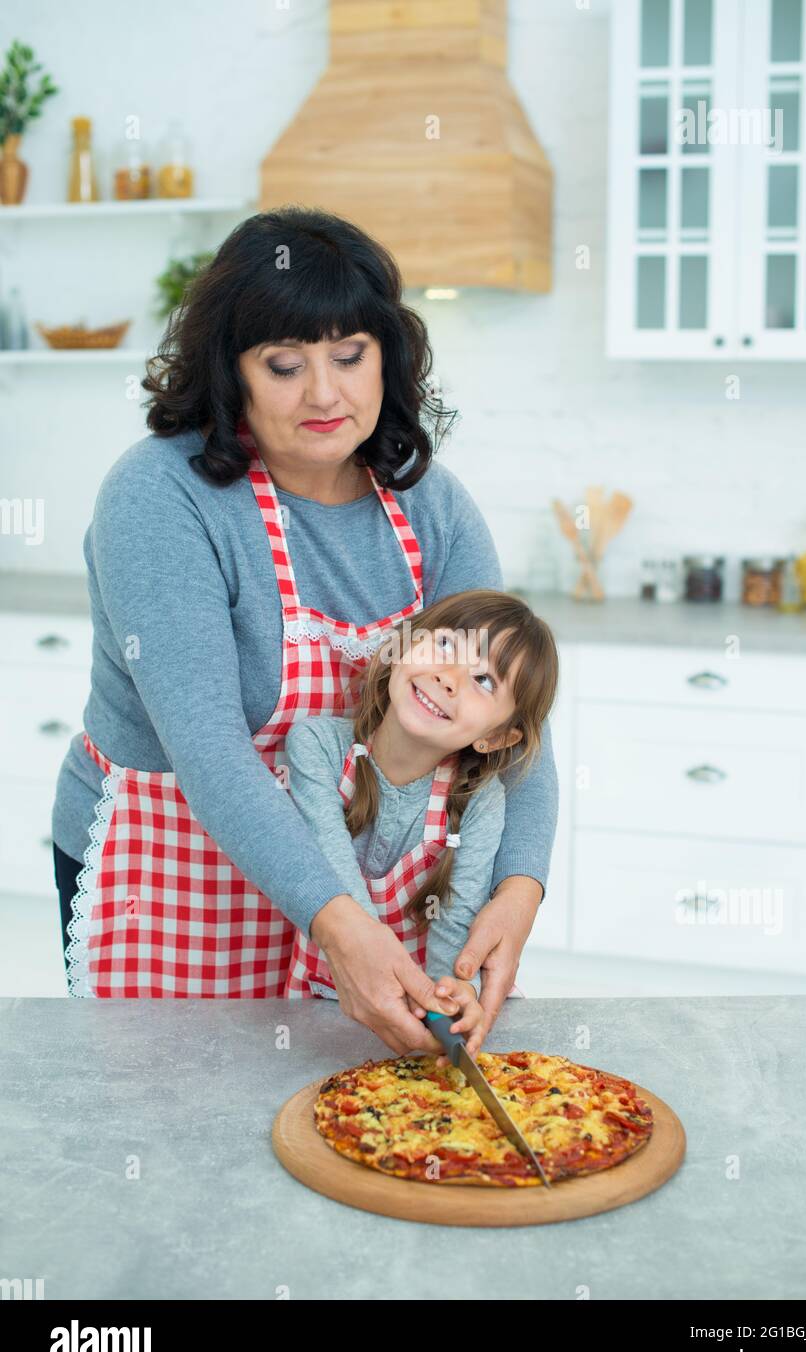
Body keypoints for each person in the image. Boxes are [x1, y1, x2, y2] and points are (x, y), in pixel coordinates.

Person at [50, 204, 559, 1057]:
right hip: (179, 878)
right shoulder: (160, 497)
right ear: (232, 373)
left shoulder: (429, 505)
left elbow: (513, 719)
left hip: (367, 892)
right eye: (284, 365)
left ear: (387, 357)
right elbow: (208, 746)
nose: (325, 393)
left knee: (351, 1133)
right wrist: (335, 922)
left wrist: (519, 888)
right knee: (167, 1133)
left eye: (350, 356)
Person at [283, 590, 559, 1063]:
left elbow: (457, 924)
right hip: (322, 1013)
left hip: (425, 1025)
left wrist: (450, 1001)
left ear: (496, 737)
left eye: (485, 681)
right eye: (447, 646)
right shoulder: (316, 748)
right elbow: (334, 882)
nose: (448, 678)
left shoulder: (478, 799)